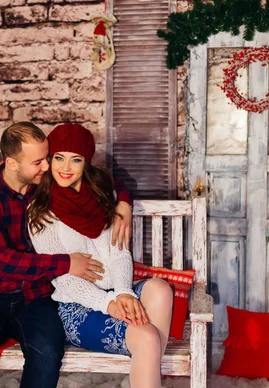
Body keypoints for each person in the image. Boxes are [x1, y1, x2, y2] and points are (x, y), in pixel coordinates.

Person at [0, 122, 134, 388]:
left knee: (47, 353)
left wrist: (124, 203)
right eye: (39, 162)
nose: (48, 167)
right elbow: (0, 259)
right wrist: (66, 262)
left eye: (47, 159)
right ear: (12, 164)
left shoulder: (44, 184)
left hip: (36, 296)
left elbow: (100, 179)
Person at [28, 123, 173, 388]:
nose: (66, 167)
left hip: (114, 293)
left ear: (86, 162)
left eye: (76, 159)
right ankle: (146, 371)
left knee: (160, 290)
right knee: (147, 337)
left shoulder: (102, 197)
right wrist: (110, 304)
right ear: (49, 160)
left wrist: (124, 293)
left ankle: (143, 374)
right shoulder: (40, 211)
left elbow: (118, 253)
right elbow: (63, 279)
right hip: (75, 306)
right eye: (59, 157)